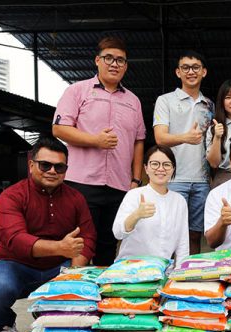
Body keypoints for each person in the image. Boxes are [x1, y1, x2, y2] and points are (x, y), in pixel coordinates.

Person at [0, 136, 96, 332]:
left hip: (59, 268)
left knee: (89, 284)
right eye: (45, 165)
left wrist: (74, 270)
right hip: (15, 265)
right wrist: (61, 247)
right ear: (31, 165)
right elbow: (15, 239)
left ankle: (48, 313)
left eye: (59, 167)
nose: (52, 171)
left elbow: (88, 236)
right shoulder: (11, 196)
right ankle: (3, 326)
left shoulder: (75, 198)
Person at [52, 36, 145, 266]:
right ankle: (76, 287)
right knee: (80, 244)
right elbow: (59, 128)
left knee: (108, 244)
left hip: (119, 185)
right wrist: (95, 140)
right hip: (82, 183)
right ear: (97, 60)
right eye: (108, 58)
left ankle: (103, 287)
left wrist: (135, 180)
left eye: (120, 60)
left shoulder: (133, 101)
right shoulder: (77, 91)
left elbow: (139, 141)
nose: (114, 64)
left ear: (126, 65)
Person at [153, 50, 214, 255]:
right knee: (170, 234)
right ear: (178, 72)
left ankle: (191, 271)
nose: (191, 72)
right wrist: (185, 137)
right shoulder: (165, 100)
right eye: (185, 67)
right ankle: (169, 272)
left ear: (204, 72)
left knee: (195, 234)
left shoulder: (209, 105)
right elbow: (160, 138)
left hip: (201, 180)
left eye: (195, 67)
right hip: (173, 178)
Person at [112, 145, 189, 265]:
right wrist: (136, 215)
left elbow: (182, 243)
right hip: (131, 268)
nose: (161, 168)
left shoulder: (179, 201)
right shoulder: (134, 195)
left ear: (173, 169)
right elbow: (117, 232)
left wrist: (181, 269)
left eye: (166, 164)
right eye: (155, 164)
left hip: (162, 269)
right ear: (146, 168)